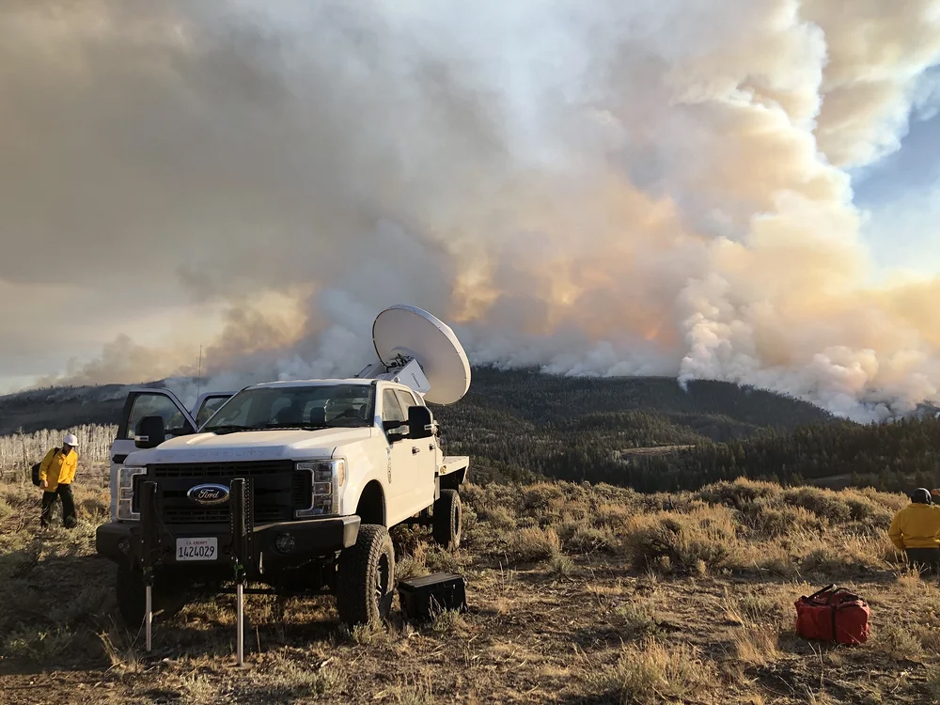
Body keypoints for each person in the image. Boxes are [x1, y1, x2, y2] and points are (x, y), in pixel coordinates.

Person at [888, 488, 940, 574]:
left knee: (914, 570)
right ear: (928, 499)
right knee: (934, 571)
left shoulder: (902, 513)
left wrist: (903, 546)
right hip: (933, 551)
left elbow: (893, 534)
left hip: (911, 551)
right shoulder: (937, 511)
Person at [38, 433, 79, 529]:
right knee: (48, 505)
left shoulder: (74, 456)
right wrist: (43, 479)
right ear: (64, 444)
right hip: (51, 483)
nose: (71, 448)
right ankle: (45, 526)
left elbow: (73, 468)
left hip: (65, 483)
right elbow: (44, 466)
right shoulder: (53, 452)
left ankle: (70, 525)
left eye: (73, 447)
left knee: (69, 503)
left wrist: (70, 478)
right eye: (69, 446)